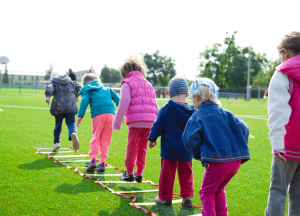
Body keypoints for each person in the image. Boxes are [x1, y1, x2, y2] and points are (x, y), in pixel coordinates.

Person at [182, 77, 250, 216]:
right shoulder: (228, 113)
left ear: (196, 97)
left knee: (206, 191)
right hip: (235, 162)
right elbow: (245, 128)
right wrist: (238, 148)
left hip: (217, 163)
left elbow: (188, 138)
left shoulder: (197, 116)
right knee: (219, 189)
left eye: (191, 98)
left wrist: (200, 154)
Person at [265, 31, 300, 216]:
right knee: (298, 195)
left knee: (278, 191)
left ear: (285, 53)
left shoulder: (282, 74)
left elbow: (278, 111)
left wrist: (277, 144)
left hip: (287, 146)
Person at [148, 77, 196, 207]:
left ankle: (165, 198)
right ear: (186, 94)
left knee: (166, 174)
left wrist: (152, 139)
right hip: (187, 150)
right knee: (186, 173)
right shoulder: (193, 110)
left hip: (168, 149)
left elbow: (157, 126)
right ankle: (187, 198)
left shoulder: (165, 109)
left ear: (169, 92)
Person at [113, 56, 159, 182]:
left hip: (136, 121)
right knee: (142, 147)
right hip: (150, 122)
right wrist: (159, 124)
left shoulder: (127, 83)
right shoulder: (149, 84)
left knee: (132, 146)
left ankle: (128, 173)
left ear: (125, 73)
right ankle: (139, 174)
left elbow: (124, 101)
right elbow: (155, 104)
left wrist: (117, 121)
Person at [77, 73, 120, 172]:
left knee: (96, 137)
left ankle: (92, 160)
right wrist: (123, 113)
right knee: (106, 139)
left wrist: (80, 116)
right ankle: (102, 163)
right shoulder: (106, 88)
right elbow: (118, 99)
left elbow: (84, 101)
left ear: (85, 83)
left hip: (98, 115)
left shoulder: (88, 89)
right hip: (111, 115)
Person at [45, 72, 82, 152]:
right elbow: (79, 86)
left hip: (59, 106)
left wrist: (48, 96)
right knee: (71, 122)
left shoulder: (54, 82)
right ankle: (73, 133)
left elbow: (50, 87)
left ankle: (56, 142)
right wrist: (77, 95)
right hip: (71, 105)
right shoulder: (69, 81)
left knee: (58, 124)